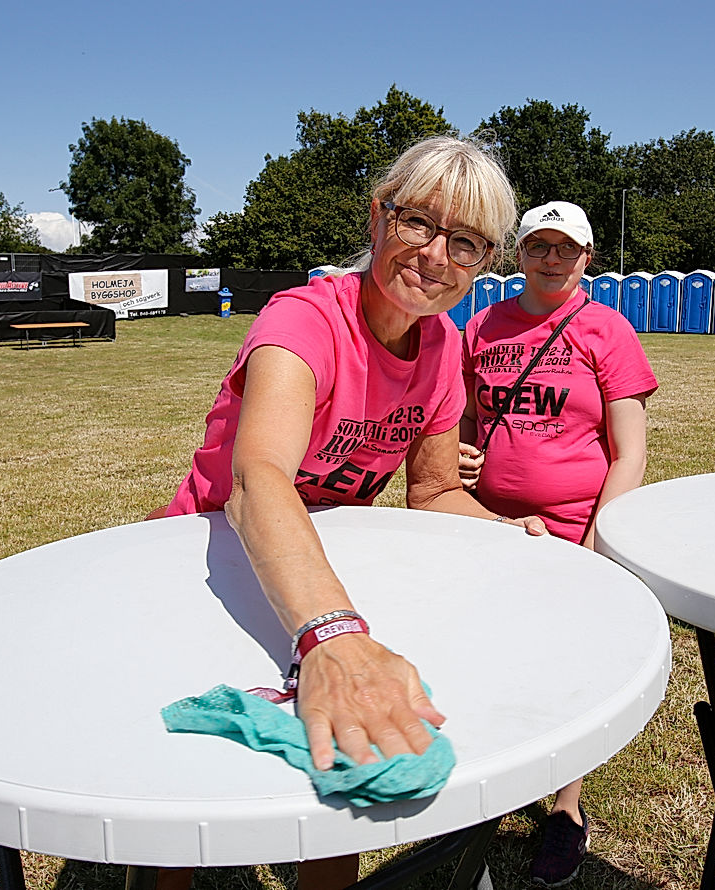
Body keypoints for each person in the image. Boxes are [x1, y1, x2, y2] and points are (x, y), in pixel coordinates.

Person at [146, 135, 546, 890]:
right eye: (418, 222)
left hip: (315, 568)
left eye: (465, 242)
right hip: (212, 558)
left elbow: (434, 490)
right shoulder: (303, 320)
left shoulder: (442, 346)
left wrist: (502, 530)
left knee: (348, 765)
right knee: (188, 802)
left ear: (484, 262)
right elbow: (259, 479)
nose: (435, 255)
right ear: (377, 218)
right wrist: (332, 634)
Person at [458, 201, 658, 886]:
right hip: (488, 524)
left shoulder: (607, 329)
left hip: (573, 528)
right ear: (518, 254)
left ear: (586, 257)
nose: (551, 259)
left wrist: (597, 541)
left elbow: (629, 453)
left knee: (570, 667)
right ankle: (493, 781)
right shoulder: (482, 325)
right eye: (538, 246)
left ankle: (566, 811)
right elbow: (467, 416)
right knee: (492, 653)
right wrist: (461, 458)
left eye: (565, 248)